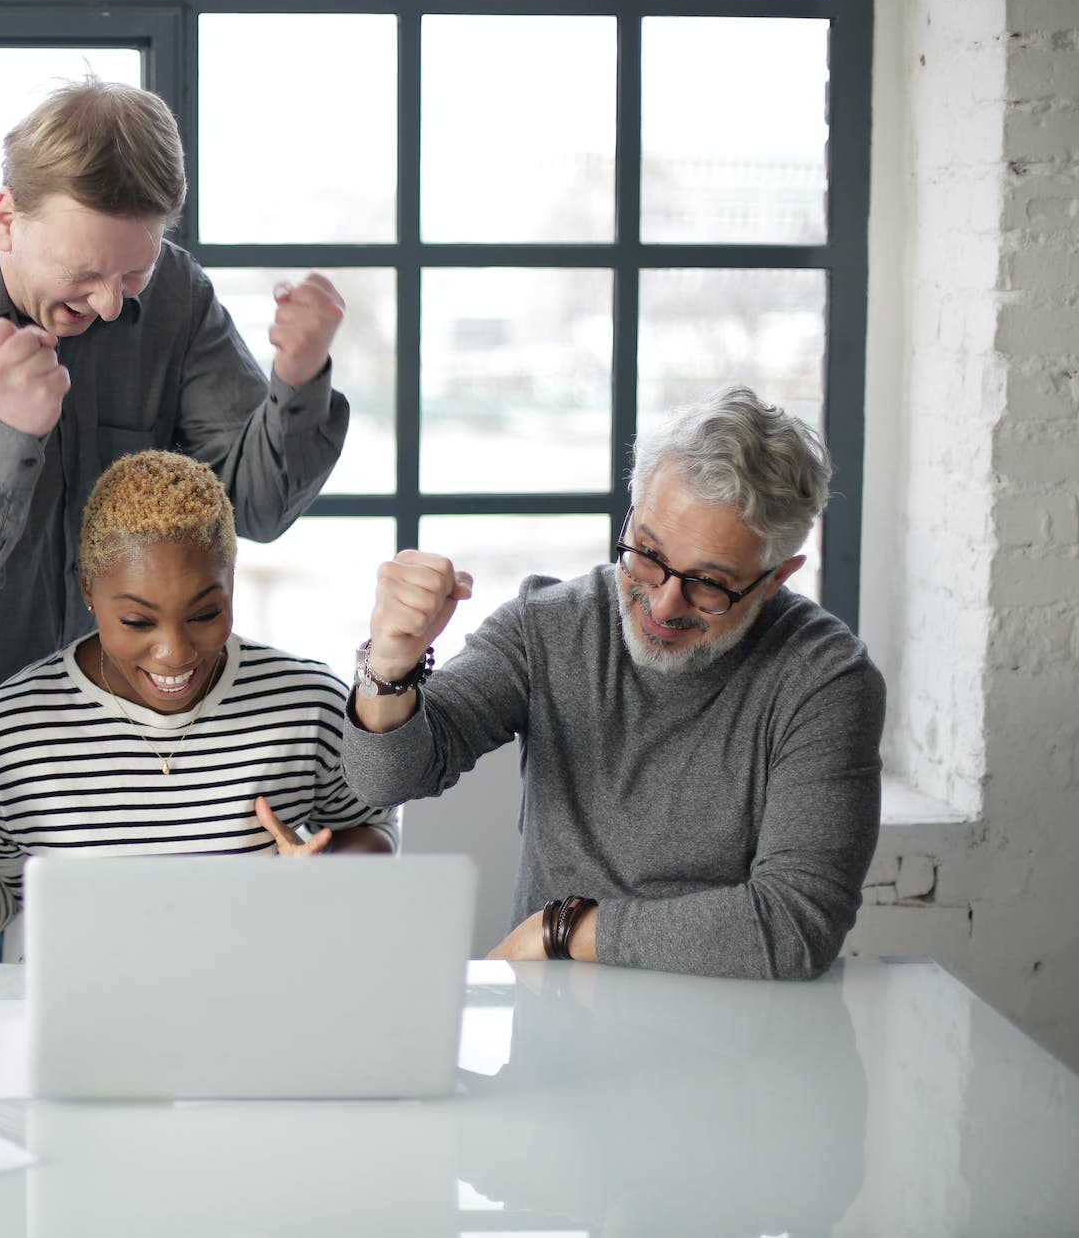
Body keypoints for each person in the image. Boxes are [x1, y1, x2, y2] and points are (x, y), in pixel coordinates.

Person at [0, 76, 354, 962]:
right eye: (85, 273)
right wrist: (8, 430)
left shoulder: (174, 298)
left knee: (76, 1003)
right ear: (7, 217)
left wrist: (297, 381)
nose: (110, 304)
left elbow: (249, 505)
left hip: (65, 727)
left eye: (131, 271)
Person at [342, 386, 884, 979]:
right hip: (555, 1038)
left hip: (736, 1038)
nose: (663, 602)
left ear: (777, 577)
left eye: (709, 582)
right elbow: (383, 779)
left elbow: (796, 926)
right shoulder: (549, 623)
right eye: (648, 552)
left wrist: (564, 928)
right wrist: (389, 666)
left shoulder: (825, 679)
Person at [0, 450, 395, 959]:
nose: (176, 652)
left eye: (205, 613)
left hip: (249, 1014)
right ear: (89, 591)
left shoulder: (305, 702)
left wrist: (327, 879)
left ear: (232, 584)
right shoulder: (13, 728)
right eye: (139, 622)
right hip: (82, 1023)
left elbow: (372, 831)